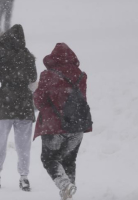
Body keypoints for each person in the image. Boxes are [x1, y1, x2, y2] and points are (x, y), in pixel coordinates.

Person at [33, 43, 92, 200]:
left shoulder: (48, 75)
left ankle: (65, 185)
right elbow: (81, 99)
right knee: (69, 160)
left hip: (54, 127)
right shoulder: (80, 75)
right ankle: (68, 192)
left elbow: (39, 102)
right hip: (77, 124)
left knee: (48, 159)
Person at [0, 24, 37, 192]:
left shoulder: (2, 55)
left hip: (5, 103)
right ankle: (24, 178)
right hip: (24, 105)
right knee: (23, 144)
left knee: (1, 141)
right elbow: (33, 77)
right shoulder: (27, 56)